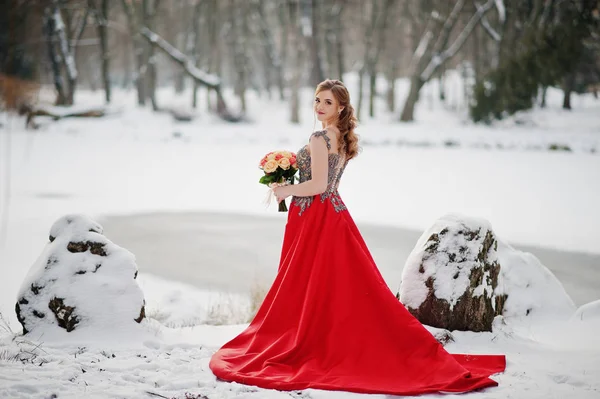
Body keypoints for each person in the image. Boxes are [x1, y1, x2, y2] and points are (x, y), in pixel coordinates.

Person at [209, 79, 505, 396]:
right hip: (330, 214)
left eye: (326, 102)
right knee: (327, 285)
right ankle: (325, 334)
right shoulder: (340, 136)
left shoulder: (320, 137)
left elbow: (319, 185)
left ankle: (313, 340)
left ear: (340, 108)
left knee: (309, 283)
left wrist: (285, 189)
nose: (319, 106)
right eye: (317, 100)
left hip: (316, 215)